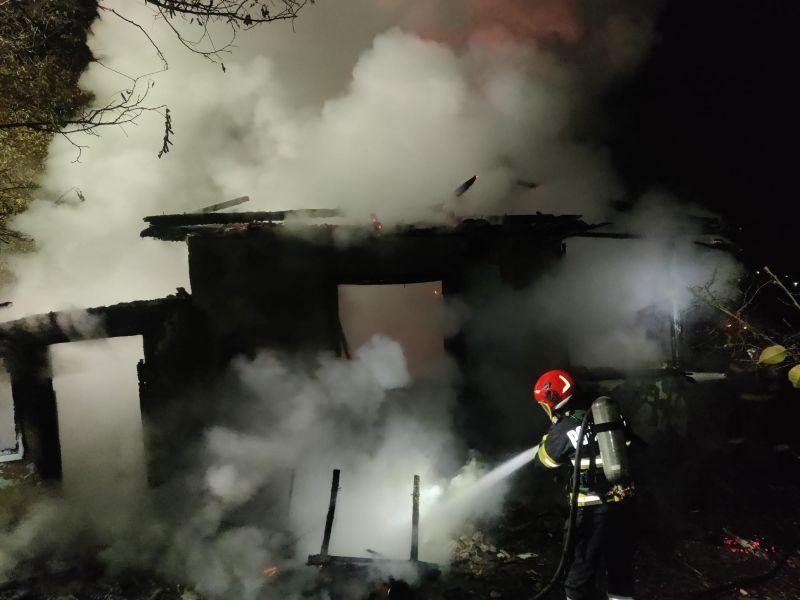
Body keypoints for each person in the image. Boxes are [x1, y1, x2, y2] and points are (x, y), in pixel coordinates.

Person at [532, 369, 636, 600]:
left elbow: (543, 462)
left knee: (579, 574)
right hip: (622, 504)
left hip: (590, 512)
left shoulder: (565, 427)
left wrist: (548, 439)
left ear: (552, 400)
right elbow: (629, 443)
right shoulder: (610, 415)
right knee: (620, 569)